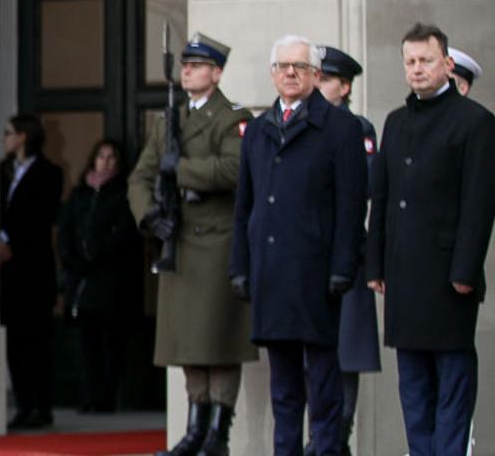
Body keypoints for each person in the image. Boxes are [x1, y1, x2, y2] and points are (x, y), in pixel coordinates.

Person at [231, 37, 367, 456]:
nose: (290, 73)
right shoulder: (257, 129)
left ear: (314, 75)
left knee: (324, 387)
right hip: (271, 273)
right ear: (273, 74)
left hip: (317, 274)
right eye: (283, 66)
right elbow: (245, 206)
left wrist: (343, 266)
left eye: (300, 66)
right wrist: (241, 266)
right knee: (284, 390)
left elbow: (350, 204)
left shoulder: (342, 128)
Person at [365, 24, 495, 456]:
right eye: (410, 61)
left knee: (452, 394)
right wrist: (376, 266)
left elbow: (478, 204)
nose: (417, 69)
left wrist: (464, 272)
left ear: (447, 63)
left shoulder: (475, 122)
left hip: (447, 281)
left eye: (426, 60)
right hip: (404, 277)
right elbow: (381, 199)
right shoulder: (396, 122)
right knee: (414, 394)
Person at [126, 33, 256, 456]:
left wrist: (180, 168)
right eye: (185, 64)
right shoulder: (170, 120)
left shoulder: (232, 116)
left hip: (217, 243)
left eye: (197, 65)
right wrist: (150, 214)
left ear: (216, 73)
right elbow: (140, 177)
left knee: (218, 343)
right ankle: (195, 430)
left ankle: (218, 432)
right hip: (179, 242)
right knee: (188, 346)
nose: (187, 71)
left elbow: (235, 168)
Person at [317, 46, 379, 455]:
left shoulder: (359, 128)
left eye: (325, 79)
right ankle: (318, 438)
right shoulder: (300, 124)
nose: (318, 85)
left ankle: (338, 437)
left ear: (344, 86)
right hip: (308, 253)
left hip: (346, 253)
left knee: (347, 354)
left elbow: (367, 185)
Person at [57, 138, 138, 415]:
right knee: (86, 344)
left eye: (111, 157)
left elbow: (123, 233)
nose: (105, 161)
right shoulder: (80, 194)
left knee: (110, 343)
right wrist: (74, 258)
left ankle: (107, 397)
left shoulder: (123, 193)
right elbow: (66, 230)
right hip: (82, 280)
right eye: (101, 156)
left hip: (110, 280)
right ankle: (89, 395)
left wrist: (97, 253)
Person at [0, 113, 62, 429]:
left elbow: (40, 218)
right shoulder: (2, 171)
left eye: (9, 133)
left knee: (37, 340)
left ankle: (41, 405)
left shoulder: (49, 173)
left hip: (33, 268)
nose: (6, 138)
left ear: (23, 136)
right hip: (7, 271)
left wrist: (9, 240)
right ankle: (23, 404)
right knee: (14, 342)